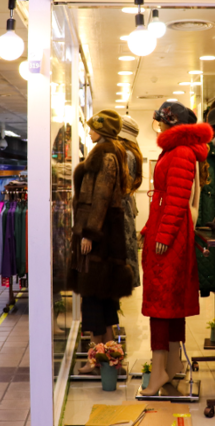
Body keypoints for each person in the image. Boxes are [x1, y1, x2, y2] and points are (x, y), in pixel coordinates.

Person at [140, 101, 212, 396]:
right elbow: (168, 198)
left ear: (172, 125)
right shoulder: (176, 151)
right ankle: (172, 364)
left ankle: (160, 371)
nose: (159, 126)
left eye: (162, 122)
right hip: (166, 230)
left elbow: (179, 198)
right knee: (168, 302)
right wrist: (150, 228)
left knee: (161, 301)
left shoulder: (180, 152)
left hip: (170, 235)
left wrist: (164, 233)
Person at [68, 110, 134, 372]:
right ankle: (109, 358)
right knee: (103, 299)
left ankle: (95, 359)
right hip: (105, 235)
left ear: (102, 130)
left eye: (93, 127)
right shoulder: (107, 153)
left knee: (93, 300)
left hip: (99, 238)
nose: (89, 130)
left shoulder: (106, 156)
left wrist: (89, 233)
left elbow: (102, 197)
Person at [118, 115, 142, 289]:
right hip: (124, 210)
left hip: (121, 211)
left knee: (124, 252)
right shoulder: (130, 153)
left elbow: (121, 188)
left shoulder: (126, 155)